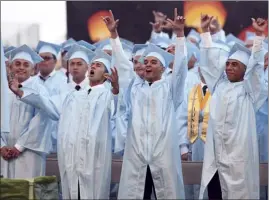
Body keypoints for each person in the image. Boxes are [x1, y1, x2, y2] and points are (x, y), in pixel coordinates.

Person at [12, 44, 119, 199]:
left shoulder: (105, 94)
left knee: (93, 192)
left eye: (99, 65)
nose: (94, 67)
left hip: (93, 156)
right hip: (71, 156)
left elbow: (115, 110)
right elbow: (47, 103)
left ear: (107, 75)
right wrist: (21, 92)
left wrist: (115, 89)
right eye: (93, 64)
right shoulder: (73, 95)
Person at [115, 8, 187, 199]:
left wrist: (179, 35)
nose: (147, 65)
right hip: (137, 156)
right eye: (145, 61)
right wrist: (114, 36)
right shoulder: (135, 89)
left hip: (162, 156)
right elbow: (123, 66)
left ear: (163, 68)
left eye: (153, 62)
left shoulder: (170, 89)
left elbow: (180, 69)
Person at [198, 15, 267, 199]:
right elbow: (208, 64)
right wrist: (205, 33)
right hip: (216, 161)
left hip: (238, 161)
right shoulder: (219, 87)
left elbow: (257, 69)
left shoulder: (249, 92)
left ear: (245, 70)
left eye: (234, 65)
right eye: (227, 64)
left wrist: (259, 37)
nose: (228, 67)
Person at [3, 44, 57, 178]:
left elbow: (41, 120)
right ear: (10, 67)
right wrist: (1, 146)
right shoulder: (2, 89)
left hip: (29, 152)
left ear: (33, 70)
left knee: (27, 191)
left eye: (26, 65)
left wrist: (19, 146)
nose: (21, 67)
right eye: (17, 64)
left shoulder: (39, 89)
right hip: (3, 152)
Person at [177, 66, 210, 199]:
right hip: (194, 142)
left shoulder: (222, 90)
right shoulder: (191, 91)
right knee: (193, 179)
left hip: (213, 141)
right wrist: (183, 147)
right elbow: (181, 118)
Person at [35, 40, 68, 153]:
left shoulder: (63, 82)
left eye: (47, 58)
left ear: (55, 61)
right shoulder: (31, 82)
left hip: (55, 136)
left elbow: (59, 110)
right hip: (33, 137)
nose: (43, 61)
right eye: (40, 58)